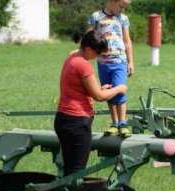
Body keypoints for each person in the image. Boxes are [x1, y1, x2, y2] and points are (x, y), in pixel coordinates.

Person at [54, 30, 128, 177]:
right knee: (76, 174)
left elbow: (78, 88)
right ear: (88, 49)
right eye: (98, 53)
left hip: (64, 119)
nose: (98, 56)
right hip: (77, 123)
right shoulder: (83, 65)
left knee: (69, 170)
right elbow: (99, 97)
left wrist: (99, 88)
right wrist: (120, 88)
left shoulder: (72, 58)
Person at [87, 0, 134, 137]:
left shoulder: (122, 19)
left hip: (119, 61)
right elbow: (88, 38)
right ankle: (114, 123)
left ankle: (123, 123)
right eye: (121, 7)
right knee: (108, 92)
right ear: (112, 0)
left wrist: (130, 61)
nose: (122, 10)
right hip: (103, 63)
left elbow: (127, 41)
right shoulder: (96, 17)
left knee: (120, 90)